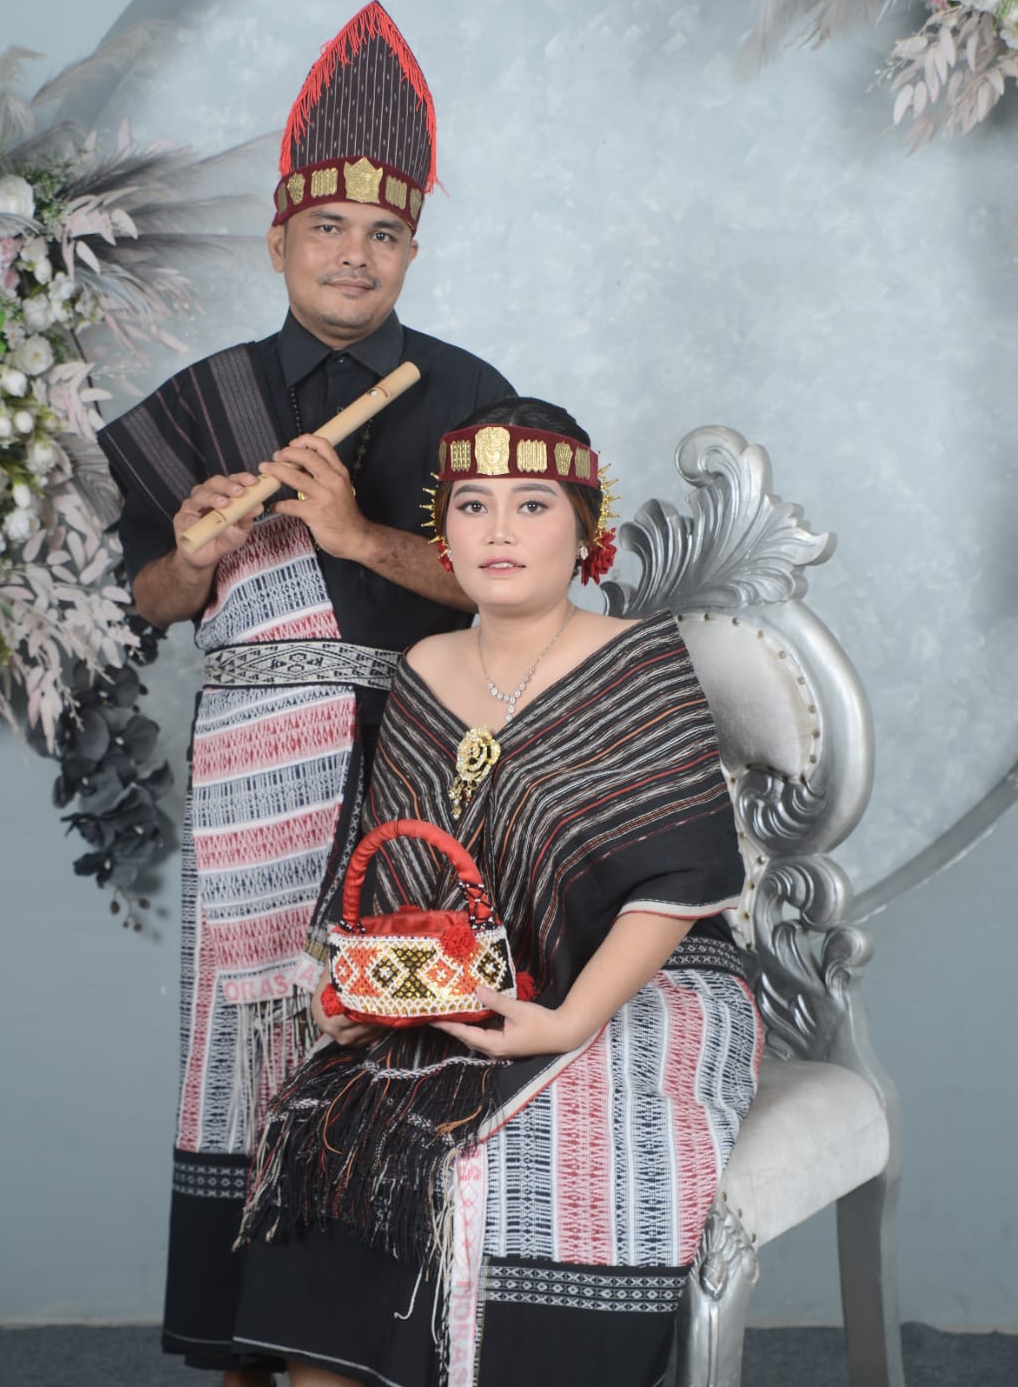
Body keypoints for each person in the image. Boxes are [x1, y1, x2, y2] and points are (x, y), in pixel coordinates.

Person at [97, 2, 513, 1386]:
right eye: (327, 227)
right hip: (244, 780)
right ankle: (239, 1345)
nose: (353, 252)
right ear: (279, 239)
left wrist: (354, 536)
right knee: (237, 1055)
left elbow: (510, 586)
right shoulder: (206, 399)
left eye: (382, 234)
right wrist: (192, 554)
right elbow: (145, 601)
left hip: (410, 765)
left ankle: (350, 1343)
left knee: (373, 1046)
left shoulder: (466, 395)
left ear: (410, 251)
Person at [232, 397, 764, 1387]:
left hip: (633, 978)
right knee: (337, 1127)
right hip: (459, 979)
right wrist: (357, 991)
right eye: (472, 506)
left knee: (531, 1144)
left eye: (531, 505)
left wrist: (565, 1022)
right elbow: (393, 873)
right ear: (445, 531)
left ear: (584, 531)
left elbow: (680, 879)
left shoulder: (640, 663)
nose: (498, 531)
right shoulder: (423, 668)